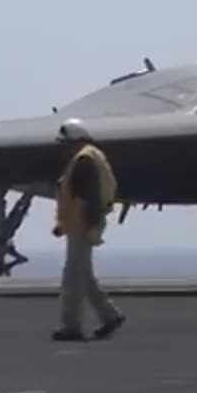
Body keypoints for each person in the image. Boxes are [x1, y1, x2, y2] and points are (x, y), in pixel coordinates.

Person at [50, 118, 126, 341]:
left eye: (65, 143)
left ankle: (71, 326)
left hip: (83, 225)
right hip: (81, 224)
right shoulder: (87, 158)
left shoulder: (84, 161)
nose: (63, 148)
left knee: (72, 277)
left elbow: (87, 199)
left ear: (75, 141)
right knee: (84, 276)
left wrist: (89, 226)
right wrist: (63, 224)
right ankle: (110, 316)